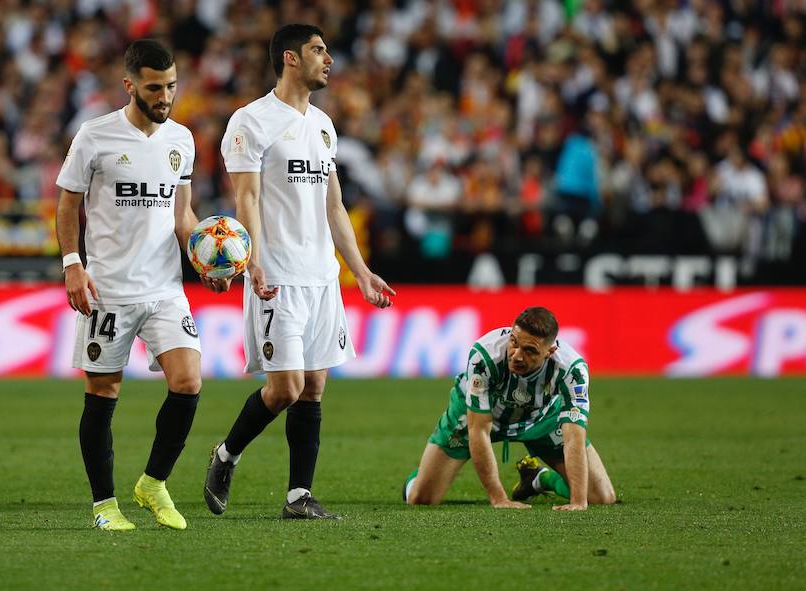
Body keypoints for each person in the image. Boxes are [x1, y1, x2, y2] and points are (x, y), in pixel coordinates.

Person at [204, 24, 395, 520]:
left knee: (313, 388)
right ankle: (226, 455)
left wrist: (362, 271)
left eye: (328, 49)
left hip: (323, 277)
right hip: (277, 275)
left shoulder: (325, 126)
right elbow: (247, 197)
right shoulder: (251, 122)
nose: (328, 58)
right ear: (290, 58)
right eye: (318, 50)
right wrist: (254, 263)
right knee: (284, 388)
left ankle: (298, 496)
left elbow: (334, 207)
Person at [56, 39, 224, 531]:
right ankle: (104, 506)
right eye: (155, 87)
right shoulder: (94, 136)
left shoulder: (182, 140)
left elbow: (183, 215)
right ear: (130, 85)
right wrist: (72, 263)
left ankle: (153, 482)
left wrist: (206, 260)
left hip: (165, 288)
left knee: (188, 381)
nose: (165, 95)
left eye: (172, 85)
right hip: (107, 289)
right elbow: (68, 203)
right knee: (104, 392)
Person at [403, 306, 616, 510]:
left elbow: (573, 436)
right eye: (514, 343)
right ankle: (425, 474)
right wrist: (499, 499)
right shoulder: (484, 356)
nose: (517, 356)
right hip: (483, 416)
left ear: (550, 351)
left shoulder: (572, 370)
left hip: (541, 418)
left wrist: (578, 501)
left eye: (530, 350)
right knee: (421, 498)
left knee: (601, 496)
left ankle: (540, 479)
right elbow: (478, 430)